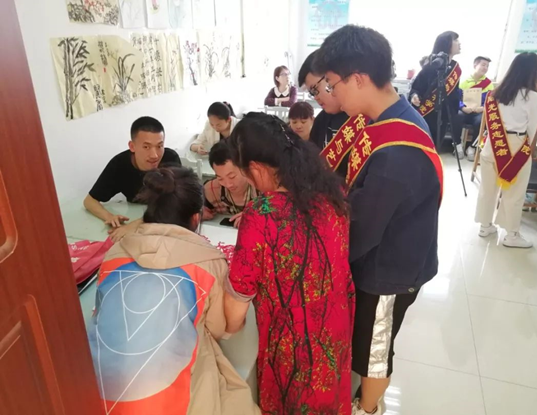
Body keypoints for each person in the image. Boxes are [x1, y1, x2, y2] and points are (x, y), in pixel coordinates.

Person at [313, 24, 443, 415]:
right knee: (367, 339)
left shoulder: (396, 152)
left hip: (389, 270)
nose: (332, 93)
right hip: (385, 250)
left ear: (359, 78)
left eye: (333, 84)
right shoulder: (383, 116)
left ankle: (368, 408)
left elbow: (360, 231)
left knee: (374, 347)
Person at [87, 166, 259, 415]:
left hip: (93, 391)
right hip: (164, 399)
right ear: (196, 218)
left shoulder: (115, 253)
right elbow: (219, 330)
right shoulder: (208, 262)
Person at [224, 113, 355, 414]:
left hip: (294, 340)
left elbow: (238, 300)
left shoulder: (262, 214)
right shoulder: (332, 191)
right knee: (329, 395)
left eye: (244, 173)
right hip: (335, 321)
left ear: (256, 168)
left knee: (295, 402)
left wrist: (228, 330)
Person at [475, 52, 537, 248]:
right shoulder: (533, 97)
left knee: (487, 189)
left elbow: (490, 124)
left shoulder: (495, 94)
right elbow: (532, 129)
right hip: (517, 146)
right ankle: (512, 235)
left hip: (492, 145)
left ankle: (485, 226)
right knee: (515, 192)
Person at [84, 116, 181, 241]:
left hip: (164, 226)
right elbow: (89, 201)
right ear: (132, 146)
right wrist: (109, 217)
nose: (154, 155)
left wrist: (136, 225)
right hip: (133, 218)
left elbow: (177, 203)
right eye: (146, 147)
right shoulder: (119, 164)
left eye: (159, 146)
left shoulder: (170, 159)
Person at [299, 50, 367, 178]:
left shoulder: (366, 118)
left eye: (315, 89)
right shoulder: (321, 121)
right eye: (311, 93)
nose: (316, 97)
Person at [409, 31, 462, 147]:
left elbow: (454, 93)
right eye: (455, 40)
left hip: (445, 116)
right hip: (428, 114)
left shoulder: (455, 68)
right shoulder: (432, 66)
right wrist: (414, 96)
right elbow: (416, 88)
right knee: (423, 146)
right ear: (447, 43)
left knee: (436, 147)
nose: (459, 43)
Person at [203, 141, 258, 228]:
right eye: (220, 178)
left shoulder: (264, 188)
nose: (228, 184)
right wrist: (199, 213)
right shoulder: (211, 190)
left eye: (232, 177)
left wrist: (258, 217)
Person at [452, 56, 495, 161]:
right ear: (475, 65)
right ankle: (457, 145)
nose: (485, 68)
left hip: (478, 112)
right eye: (483, 65)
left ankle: (472, 147)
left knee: (481, 121)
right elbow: (456, 98)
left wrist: (482, 108)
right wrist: (462, 107)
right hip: (465, 110)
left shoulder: (489, 84)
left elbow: (490, 101)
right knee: (456, 116)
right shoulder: (464, 81)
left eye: (487, 66)